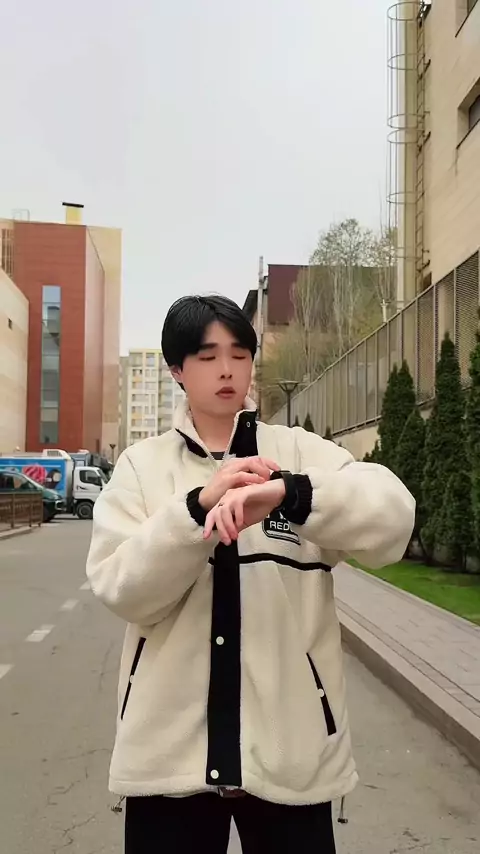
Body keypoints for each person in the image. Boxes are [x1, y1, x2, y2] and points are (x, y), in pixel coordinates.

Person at [86, 295, 415, 853]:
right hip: (167, 762)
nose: (227, 369)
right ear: (176, 369)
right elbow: (122, 590)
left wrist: (292, 494)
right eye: (208, 355)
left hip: (290, 757)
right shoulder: (142, 468)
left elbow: (393, 518)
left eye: (240, 354)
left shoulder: (297, 452)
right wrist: (196, 510)